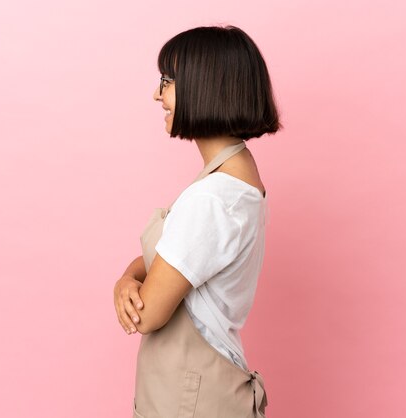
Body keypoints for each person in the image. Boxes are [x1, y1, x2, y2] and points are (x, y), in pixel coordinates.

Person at [113, 24, 281, 418]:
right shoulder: (236, 176)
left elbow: (149, 313)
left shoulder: (212, 198)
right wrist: (127, 277)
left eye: (167, 81)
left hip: (192, 401)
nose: (157, 94)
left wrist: (127, 286)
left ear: (204, 85)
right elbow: (174, 258)